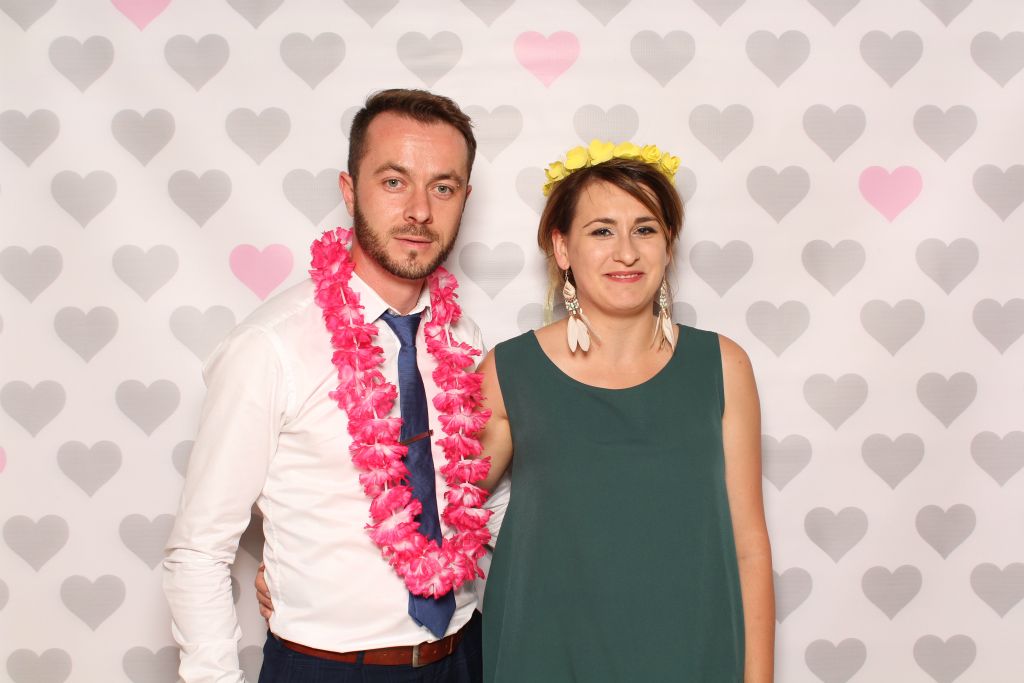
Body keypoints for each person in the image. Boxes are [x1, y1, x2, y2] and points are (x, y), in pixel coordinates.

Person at [163, 88, 497, 683]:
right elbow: (198, 550)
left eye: (443, 187)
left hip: (462, 658)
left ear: (464, 199)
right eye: (394, 182)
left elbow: (481, 502)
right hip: (328, 668)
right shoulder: (270, 346)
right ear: (349, 190)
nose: (420, 211)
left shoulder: (465, 341)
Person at [476, 141, 775, 681]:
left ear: (668, 244)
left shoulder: (722, 366)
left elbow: (749, 548)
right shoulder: (508, 371)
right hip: (546, 658)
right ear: (562, 247)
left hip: (693, 657)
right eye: (601, 231)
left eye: (645, 229)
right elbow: (441, 516)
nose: (627, 252)